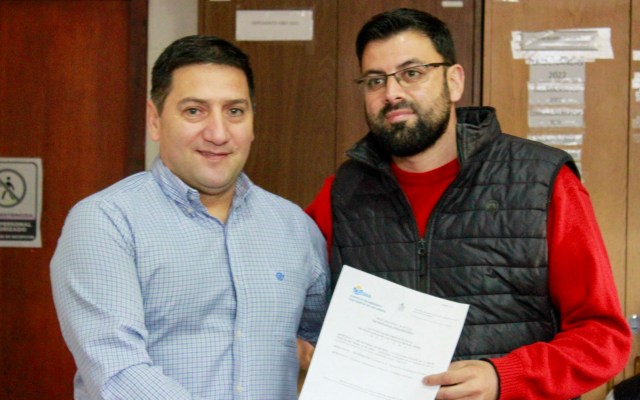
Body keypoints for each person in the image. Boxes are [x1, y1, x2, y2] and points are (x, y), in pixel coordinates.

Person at [306, 8, 631, 400]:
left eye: (412, 73)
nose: (391, 93)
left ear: (454, 81)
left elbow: (603, 337)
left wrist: (505, 377)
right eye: (376, 80)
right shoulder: (341, 193)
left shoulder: (542, 181)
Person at [51, 35, 330, 399]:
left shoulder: (296, 228)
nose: (218, 133)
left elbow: (323, 348)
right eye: (194, 111)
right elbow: (119, 375)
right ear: (155, 120)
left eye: (234, 111)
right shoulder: (105, 223)